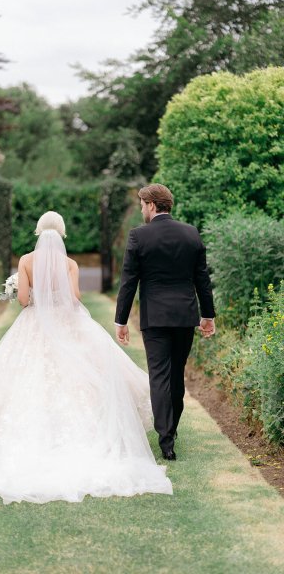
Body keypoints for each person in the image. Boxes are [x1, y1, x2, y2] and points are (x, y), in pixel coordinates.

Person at [0, 211, 173, 504]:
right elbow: (74, 299)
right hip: (65, 322)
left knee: (27, 375)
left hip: (33, 324)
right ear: (61, 234)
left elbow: (24, 300)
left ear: (38, 232)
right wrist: (58, 298)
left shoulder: (25, 261)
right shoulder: (70, 264)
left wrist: (30, 294)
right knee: (77, 375)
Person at [115, 184, 215, 461]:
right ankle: (171, 430)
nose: (141, 210)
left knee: (159, 375)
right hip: (185, 315)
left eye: (142, 205)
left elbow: (129, 282)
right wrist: (208, 316)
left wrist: (120, 320)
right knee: (176, 375)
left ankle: (166, 438)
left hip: (155, 317)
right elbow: (202, 280)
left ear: (151, 204)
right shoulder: (190, 233)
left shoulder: (139, 236)